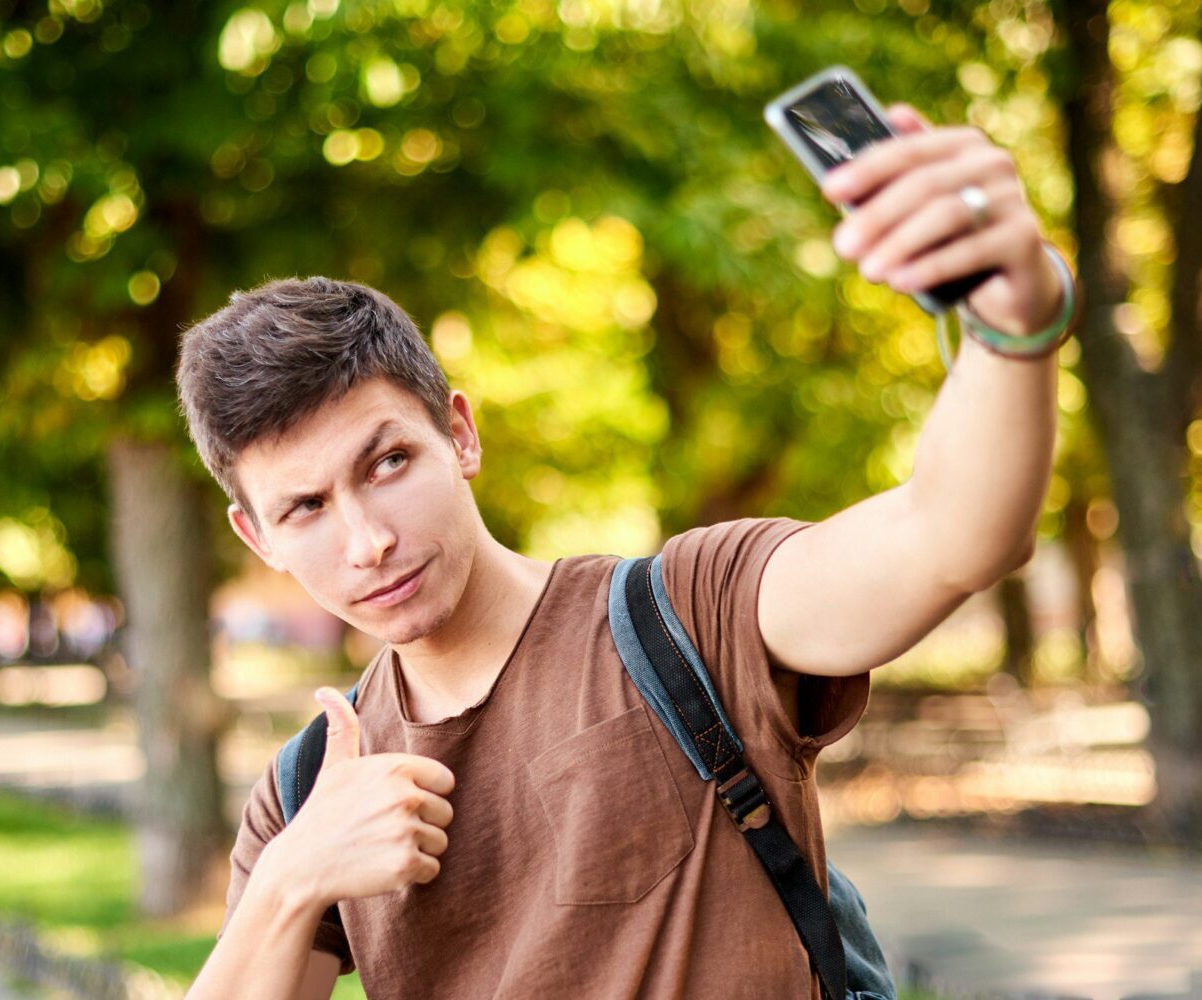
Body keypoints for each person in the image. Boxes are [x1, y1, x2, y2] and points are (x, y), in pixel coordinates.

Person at [180, 104, 1071, 1000]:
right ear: (258, 536)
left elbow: (954, 533)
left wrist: (1013, 319)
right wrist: (292, 884)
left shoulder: (689, 614)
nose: (368, 541)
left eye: (389, 462)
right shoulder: (307, 793)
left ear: (460, 435)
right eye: (305, 508)